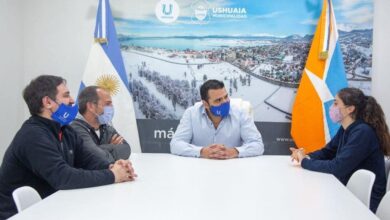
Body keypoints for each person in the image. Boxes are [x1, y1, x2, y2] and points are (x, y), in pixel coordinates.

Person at [0, 75, 137, 219]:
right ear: (47, 102)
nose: (72, 100)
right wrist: (113, 175)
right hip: (19, 215)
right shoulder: (32, 135)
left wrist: (114, 166)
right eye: (66, 95)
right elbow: (63, 177)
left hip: (52, 207)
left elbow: (90, 160)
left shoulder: (65, 131)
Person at [290, 87, 390, 212]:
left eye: (336, 103)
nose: (332, 107)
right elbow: (327, 152)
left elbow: (338, 168)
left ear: (350, 109)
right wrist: (305, 155)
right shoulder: (346, 128)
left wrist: (304, 162)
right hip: (348, 192)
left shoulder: (363, 132)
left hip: (365, 203)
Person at [170, 79, 264, 159]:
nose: (225, 102)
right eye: (218, 100)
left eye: (226, 97)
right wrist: (202, 151)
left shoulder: (241, 113)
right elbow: (175, 144)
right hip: (199, 168)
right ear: (205, 104)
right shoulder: (191, 113)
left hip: (232, 168)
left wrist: (233, 152)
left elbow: (257, 145)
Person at [71, 86, 131, 164]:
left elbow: (126, 149)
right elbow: (93, 157)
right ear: (91, 106)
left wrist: (100, 150)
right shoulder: (76, 128)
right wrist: (111, 146)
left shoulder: (106, 127)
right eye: (107, 104)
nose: (112, 107)